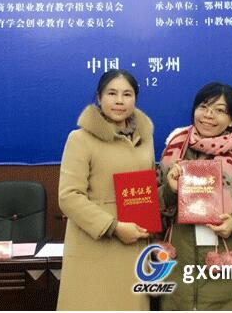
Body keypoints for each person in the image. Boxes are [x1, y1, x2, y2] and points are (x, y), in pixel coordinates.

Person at [159, 82, 232, 310]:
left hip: (229, 278)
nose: (208, 115)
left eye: (219, 110)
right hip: (179, 278)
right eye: (203, 107)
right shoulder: (173, 151)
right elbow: (153, 209)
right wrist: (170, 191)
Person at [57, 70, 155, 311]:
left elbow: (148, 187)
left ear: (135, 98)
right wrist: (113, 226)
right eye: (112, 93)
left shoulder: (146, 138)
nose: (119, 101)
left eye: (127, 94)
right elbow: (69, 196)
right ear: (99, 97)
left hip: (137, 244)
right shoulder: (80, 139)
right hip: (96, 247)